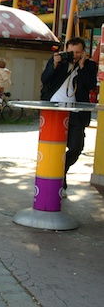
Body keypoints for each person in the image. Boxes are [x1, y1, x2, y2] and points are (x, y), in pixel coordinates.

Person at [40, 37, 98, 197]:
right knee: (52, 146)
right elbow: (45, 79)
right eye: (71, 52)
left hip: (76, 112)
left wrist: (81, 67)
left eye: (78, 52)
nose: (75, 55)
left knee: (76, 147)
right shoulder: (59, 61)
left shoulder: (89, 65)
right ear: (66, 50)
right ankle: (58, 180)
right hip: (54, 110)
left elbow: (90, 85)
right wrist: (55, 64)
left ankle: (61, 170)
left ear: (84, 52)